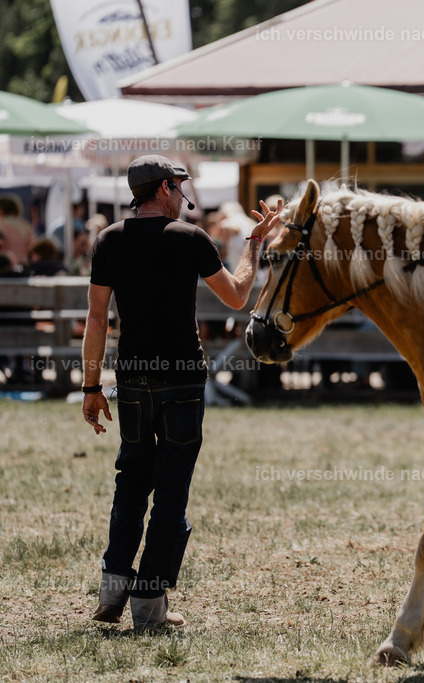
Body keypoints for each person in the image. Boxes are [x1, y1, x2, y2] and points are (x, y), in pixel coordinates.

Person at [82, 154, 283, 629]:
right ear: (166, 187)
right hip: (182, 380)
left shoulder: (108, 240)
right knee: (171, 490)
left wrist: (91, 386)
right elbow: (237, 295)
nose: (185, 198)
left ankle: (113, 587)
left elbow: (95, 319)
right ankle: (149, 605)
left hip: (130, 378)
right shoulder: (191, 238)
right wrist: (254, 243)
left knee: (130, 481)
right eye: (181, 188)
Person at [0, 193, 35, 267]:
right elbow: (32, 248)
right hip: (24, 265)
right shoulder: (26, 226)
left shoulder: (1, 223)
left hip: (4, 265)